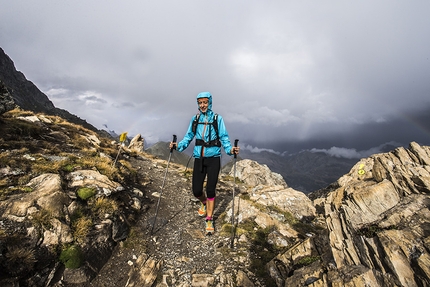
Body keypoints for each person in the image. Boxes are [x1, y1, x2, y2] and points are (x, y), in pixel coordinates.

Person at [170, 92, 239, 235]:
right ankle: (204, 202)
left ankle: (209, 218)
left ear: (210, 102)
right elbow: (189, 136)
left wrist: (231, 150)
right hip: (199, 158)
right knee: (196, 190)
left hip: (214, 158)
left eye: (205, 102)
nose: (202, 105)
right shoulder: (195, 120)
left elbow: (224, 138)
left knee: (211, 190)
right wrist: (178, 146)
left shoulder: (217, 119)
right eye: (200, 102)